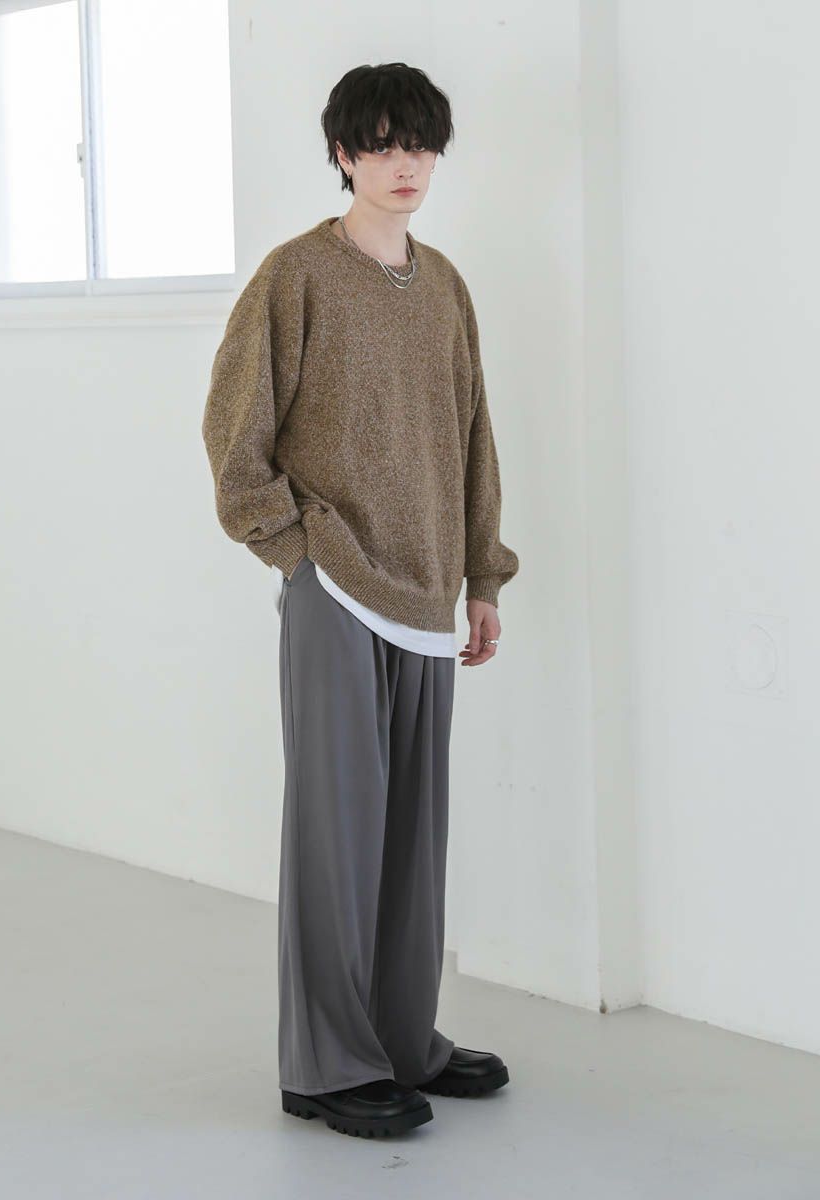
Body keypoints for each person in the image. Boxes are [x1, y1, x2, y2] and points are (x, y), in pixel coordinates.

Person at [201, 62, 519, 1138]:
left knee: (413, 841)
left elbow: (471, 440)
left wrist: (481, 576)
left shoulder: (446, 286)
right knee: (336, 836)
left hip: (428, 595)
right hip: (335, 584)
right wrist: (293, 551)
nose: (403, 164)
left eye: (418, 144)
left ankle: (401, 1039)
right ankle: (327, 1066)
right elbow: (235, 432)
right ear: (343, 155)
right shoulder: (295, 276)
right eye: (380, 145)